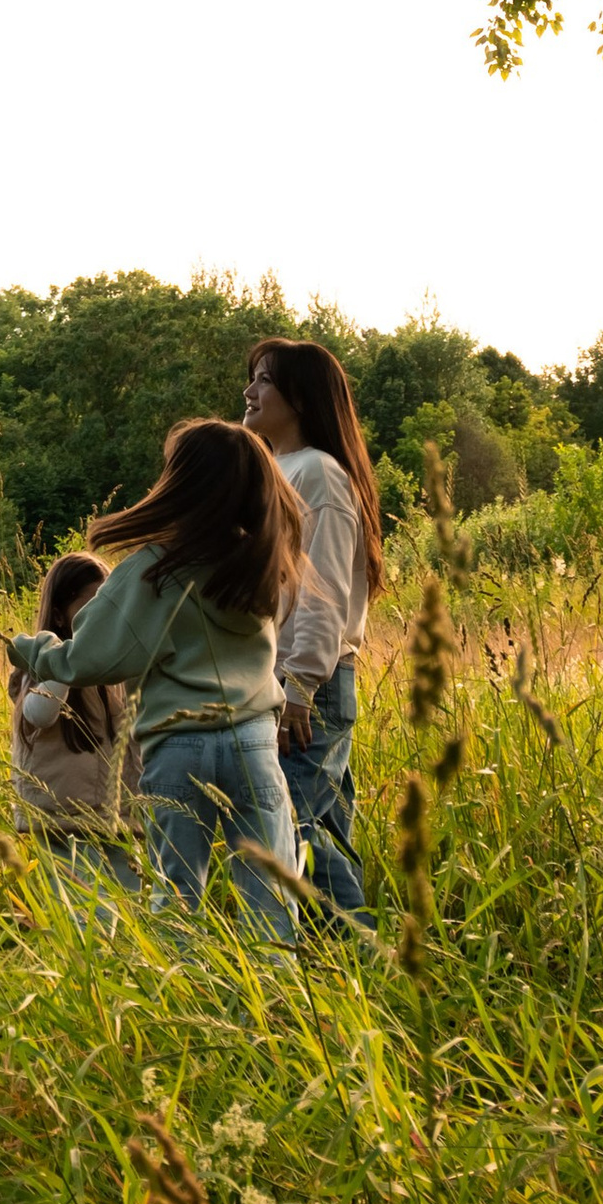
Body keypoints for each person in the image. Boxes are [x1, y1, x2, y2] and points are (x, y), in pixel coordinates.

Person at [7, 419, 308, 946]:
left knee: (177, 900)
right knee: (271, 901)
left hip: (177, 745)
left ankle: (180, 1006)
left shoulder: (155, 566)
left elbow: (93, 658)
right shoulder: (259, 558)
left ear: (181, 483)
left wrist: (34, 649)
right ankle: (276, 1012)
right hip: (254, 742)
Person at [244, 335, 385, 920]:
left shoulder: (319, 474)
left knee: (288, 830)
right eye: (250, 378)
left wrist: (299, 687)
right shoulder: (275, 468)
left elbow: (323, 589)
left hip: (310, 685)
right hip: (281, 678)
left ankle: (363, 960)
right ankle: (352, 971)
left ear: (300, 397)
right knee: (319, 835)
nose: (249, 392)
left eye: (264, 381)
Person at [8, 551, 135, 859]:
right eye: (88, 608)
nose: (99, 620)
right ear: (60, 615)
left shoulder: (116, 670)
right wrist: (68, 662)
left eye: (108, 608)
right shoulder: (42, 662)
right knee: (78, 906)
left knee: (123, 905)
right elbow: (38, 713)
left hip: (116, 821)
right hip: (61, 823)